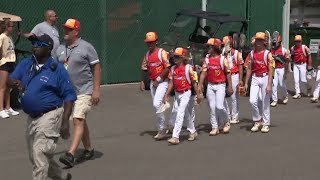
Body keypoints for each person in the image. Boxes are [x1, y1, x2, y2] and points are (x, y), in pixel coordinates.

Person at [9, 34, 75, 180]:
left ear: (49, 48)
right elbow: (11, 79)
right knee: (35, 156)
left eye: (39, 43)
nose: (35, 45)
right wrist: (14, 82)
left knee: (39, 154)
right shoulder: (26, 64)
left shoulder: (57, 69)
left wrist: (65, 123)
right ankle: (61, 176)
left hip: (50, 115)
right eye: (33, 43)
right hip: (32, 117)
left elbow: (69, 96)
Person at [56, 19, 101, 168]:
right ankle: (88, 149)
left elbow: (96, 68)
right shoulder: (61, 49)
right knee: (81, 121)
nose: (66, 32)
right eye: (65, 29)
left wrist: (95, 90)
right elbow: (55, 68)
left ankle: (70, 154)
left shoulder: (87, 47)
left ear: (76, 31)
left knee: (78, 120)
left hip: (85, 90)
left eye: (69, 29)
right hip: (68, 93)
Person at [163, 47, 201, 145]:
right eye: (174, 57)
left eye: (177, 57)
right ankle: (193, 132)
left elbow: (194, 82)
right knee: (186, 114)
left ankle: (175, 137)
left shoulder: (189, 68)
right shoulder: (172, 69)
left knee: (180, 112)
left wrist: (198, 94)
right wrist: (166, 94)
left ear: (183, 58)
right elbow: (171, 83)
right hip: (177, 93)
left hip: (186, 93)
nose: (175, 59)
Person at [199, 38, 233, 136]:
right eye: (207, 46)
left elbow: (228, 74)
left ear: (215, 47)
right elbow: (203, 73)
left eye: (210, 46)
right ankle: (215, 127)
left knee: (219, 106)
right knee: (212, 107)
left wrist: (230, 86)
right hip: (210, 85)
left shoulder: (223, 59)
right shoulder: (207, 59)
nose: (208, 48)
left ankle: (226, 122)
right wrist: (200, 85)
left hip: (220, 85)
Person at [140, 32, 170, 140]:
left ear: (156, 41)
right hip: (153, 83)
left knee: (156, 103)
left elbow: (167, 68)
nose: (149, 44)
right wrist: (143, 81)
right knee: (156, 105)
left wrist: (159, 79)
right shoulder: (147, 55)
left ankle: (162, 129)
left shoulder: (162, 52)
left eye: (151, 42)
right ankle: (164, 126)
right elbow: (144, 68)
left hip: (163, 82)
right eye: (148, 43)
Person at [244, 32, 274, 133]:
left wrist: (269, 84)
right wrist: (246, 83)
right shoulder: (251, 54)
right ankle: (257, 120)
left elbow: (270, 70)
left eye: (260, 40)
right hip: (255, 78)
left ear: (264, 42)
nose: (258, 42)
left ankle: (265, 124)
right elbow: (249, 68)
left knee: (265, 102)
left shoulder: (267, 54)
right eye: (257, 40)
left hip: (265, 77)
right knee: (252, 100)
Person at [222, 36, 244, 124]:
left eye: (226, 44)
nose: (224, 46)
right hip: (224, 76)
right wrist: (224, 54)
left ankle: (235, 116)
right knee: (222, 96)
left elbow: (241, 66)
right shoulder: (222, 53)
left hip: (234, 75)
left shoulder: (237, 53)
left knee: (234, 97)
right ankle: (227, 115)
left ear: (230, 44)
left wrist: (240, 79)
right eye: (223, 44)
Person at [0, 20, 19, 118]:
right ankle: (1, 109)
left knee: (8, 87)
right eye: (11, 26)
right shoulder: (2, 37)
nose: (13, 28)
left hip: (11, 63)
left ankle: (8, 107)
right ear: (7, 27)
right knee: (2, 87)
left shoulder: (10, 37)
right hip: (4, 64)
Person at [270, 33, 289, 107]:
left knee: (281, 84)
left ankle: (285, 96)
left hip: (281, 69)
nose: (274, 44)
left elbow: (287, 60)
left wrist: (286, 72)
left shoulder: (284, 50)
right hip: (274, 69)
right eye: (273, 43)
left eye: (275, 43)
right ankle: (275, 100)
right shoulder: (271, 49)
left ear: (280, 42)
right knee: (274, 85)